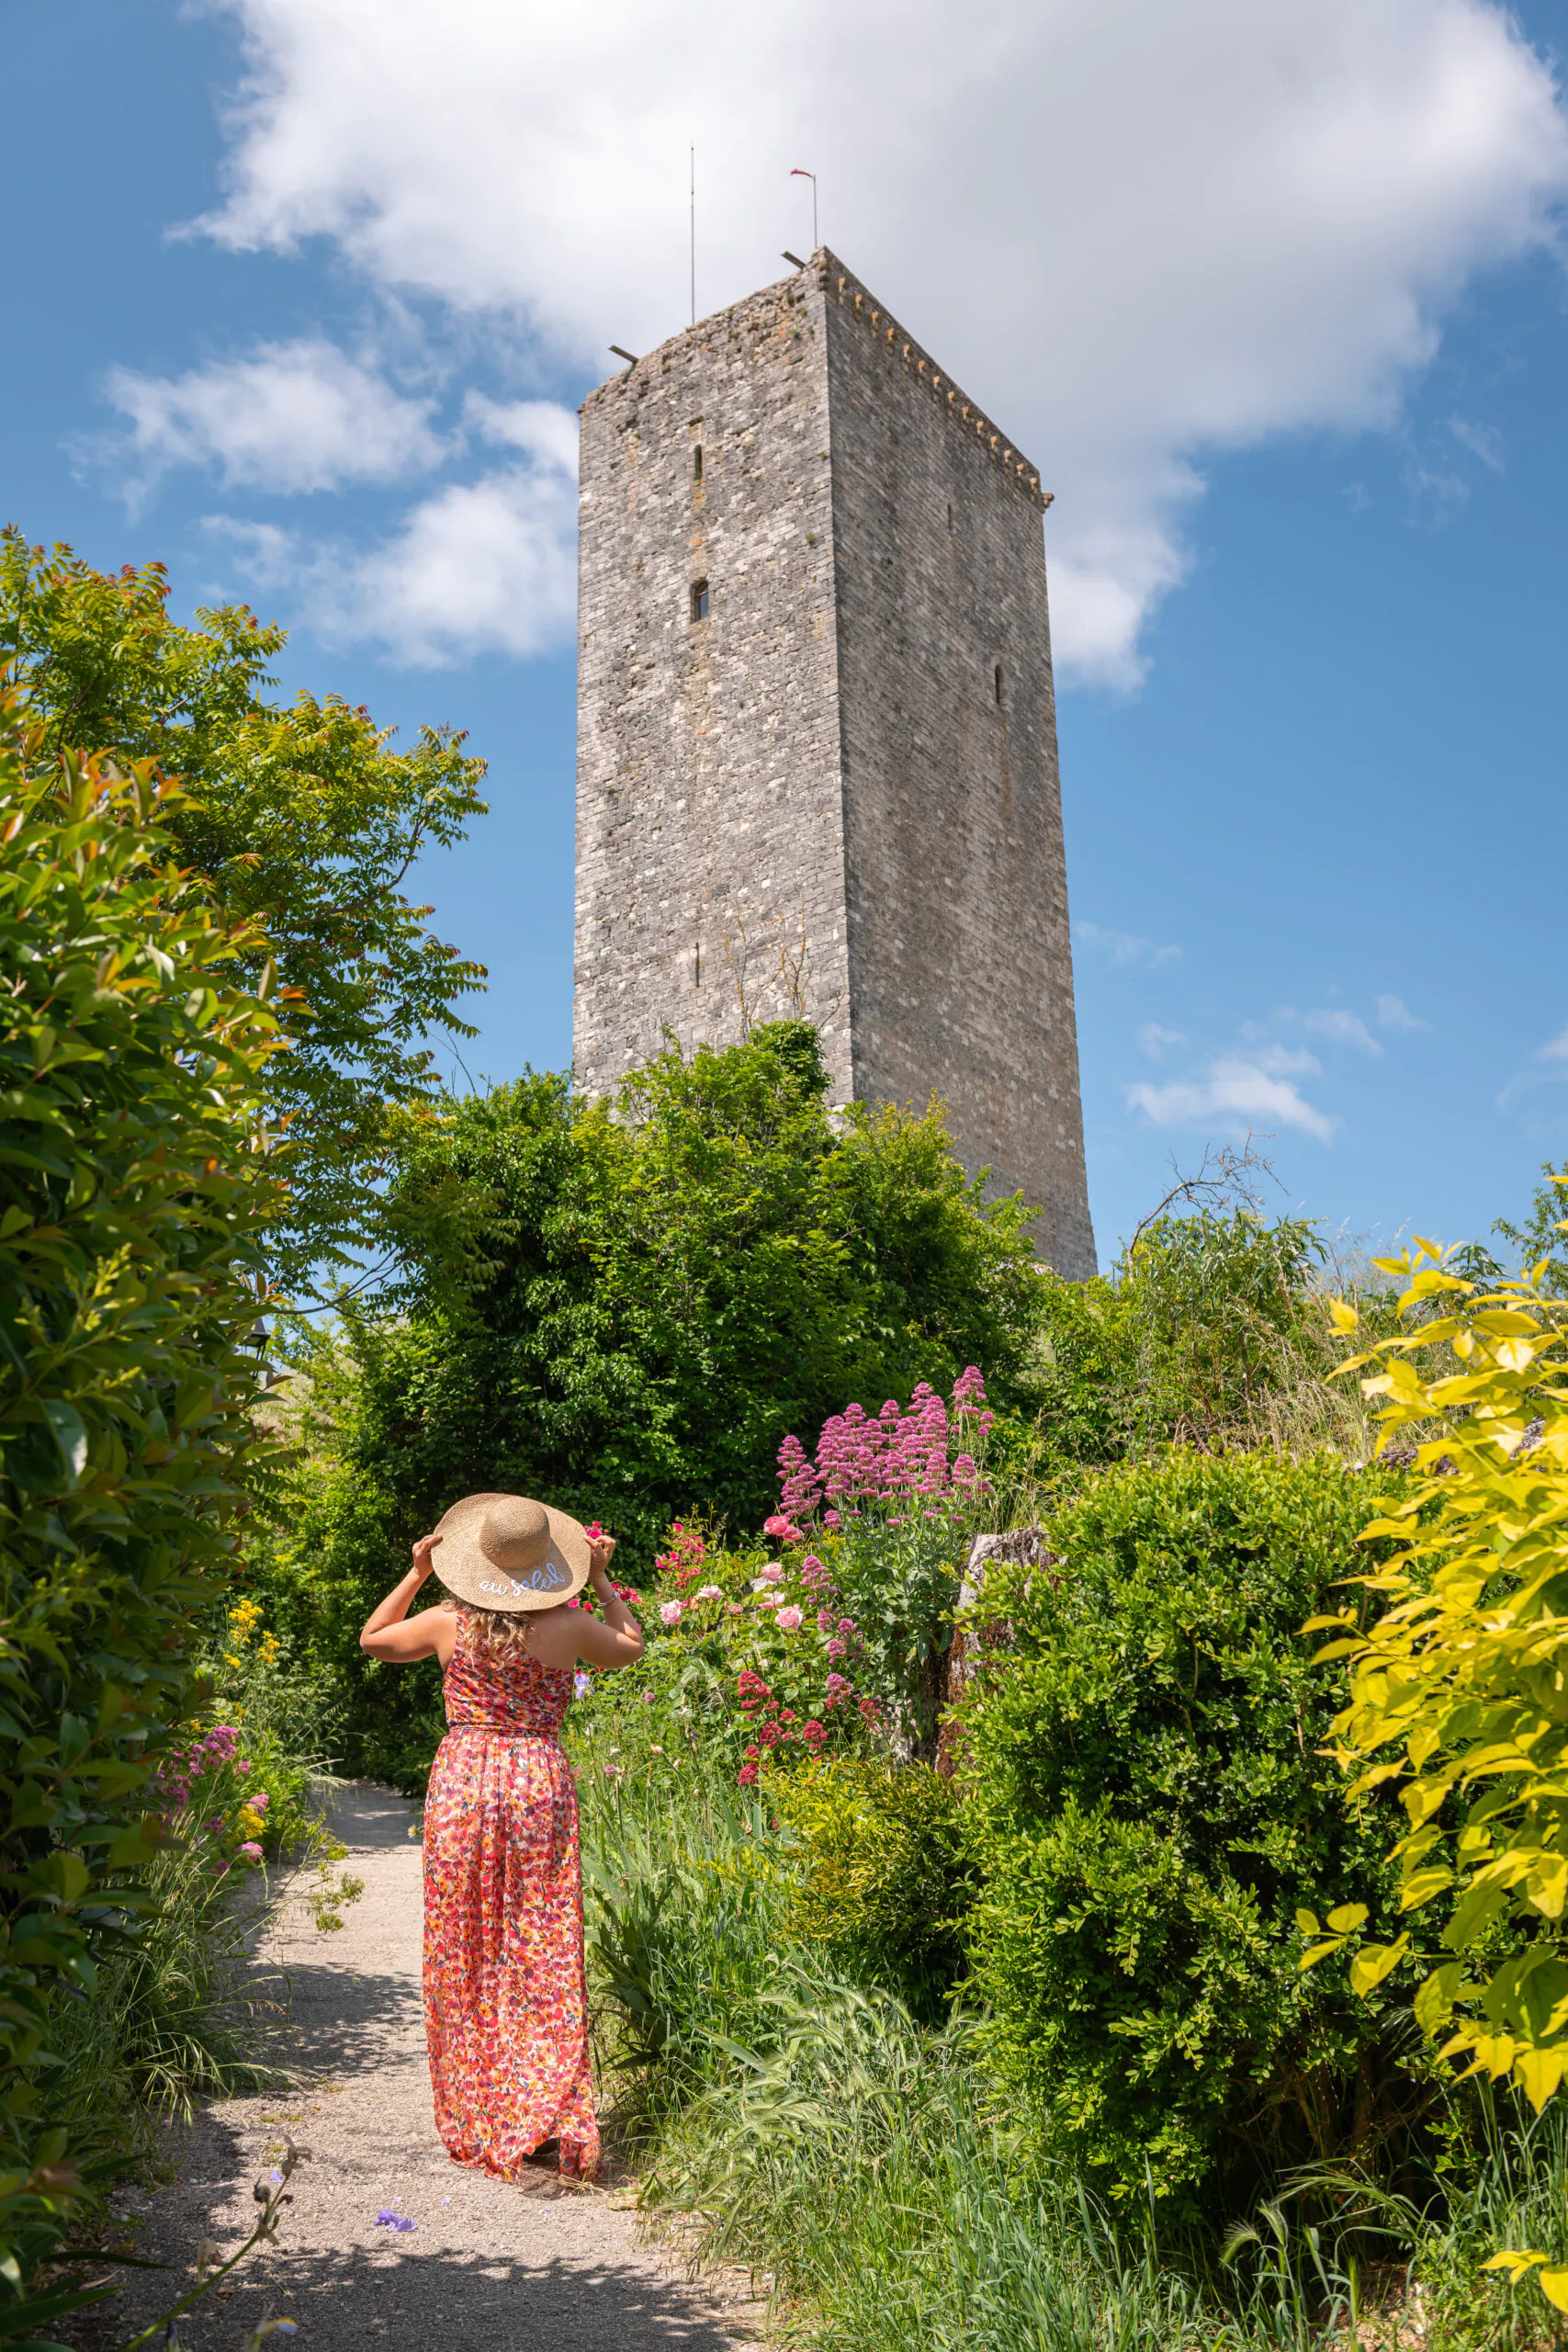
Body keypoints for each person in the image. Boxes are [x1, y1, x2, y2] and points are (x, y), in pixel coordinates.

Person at [359, 1490, 643, 2184]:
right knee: (540, 1942)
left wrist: (417, 1571)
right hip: (537, 1780)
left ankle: (482, 2107)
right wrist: (604, 1580)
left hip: (464, 1782)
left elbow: (373, 1638)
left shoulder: (444, 1623)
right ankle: (541, 2109)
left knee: (467, 1943)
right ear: (551, 1566)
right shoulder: (570, 1625)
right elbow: (630, 1646)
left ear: (472, 1563)